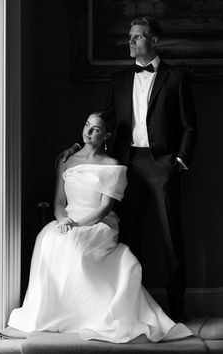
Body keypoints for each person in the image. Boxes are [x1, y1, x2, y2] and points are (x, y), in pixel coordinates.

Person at [8, 112, 192, 343]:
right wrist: (63, 220)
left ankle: (89, 316)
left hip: (99, 222)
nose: (88, 131)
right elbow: (58, 202)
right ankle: (55, 314)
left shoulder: (112, 166)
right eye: (86, 125)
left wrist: (79, 225)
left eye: (96, 129)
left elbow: (105, 208)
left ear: (107, 135)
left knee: (76, 245)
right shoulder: (67, 160)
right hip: (68, 217)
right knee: (48, 239)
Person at [59, 17, 196, 323]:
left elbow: (189, 124)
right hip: (126, 164)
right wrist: (77, 145)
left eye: (138, 37)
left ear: (154, 41)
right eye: (130, 37)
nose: (131, 42)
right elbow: (103, 119)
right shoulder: (119, 78)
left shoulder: (175, 77)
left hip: (163, 164)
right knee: (129, 235)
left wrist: (181, 160)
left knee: (171, 237)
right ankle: (131, 306)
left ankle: (177, 308)